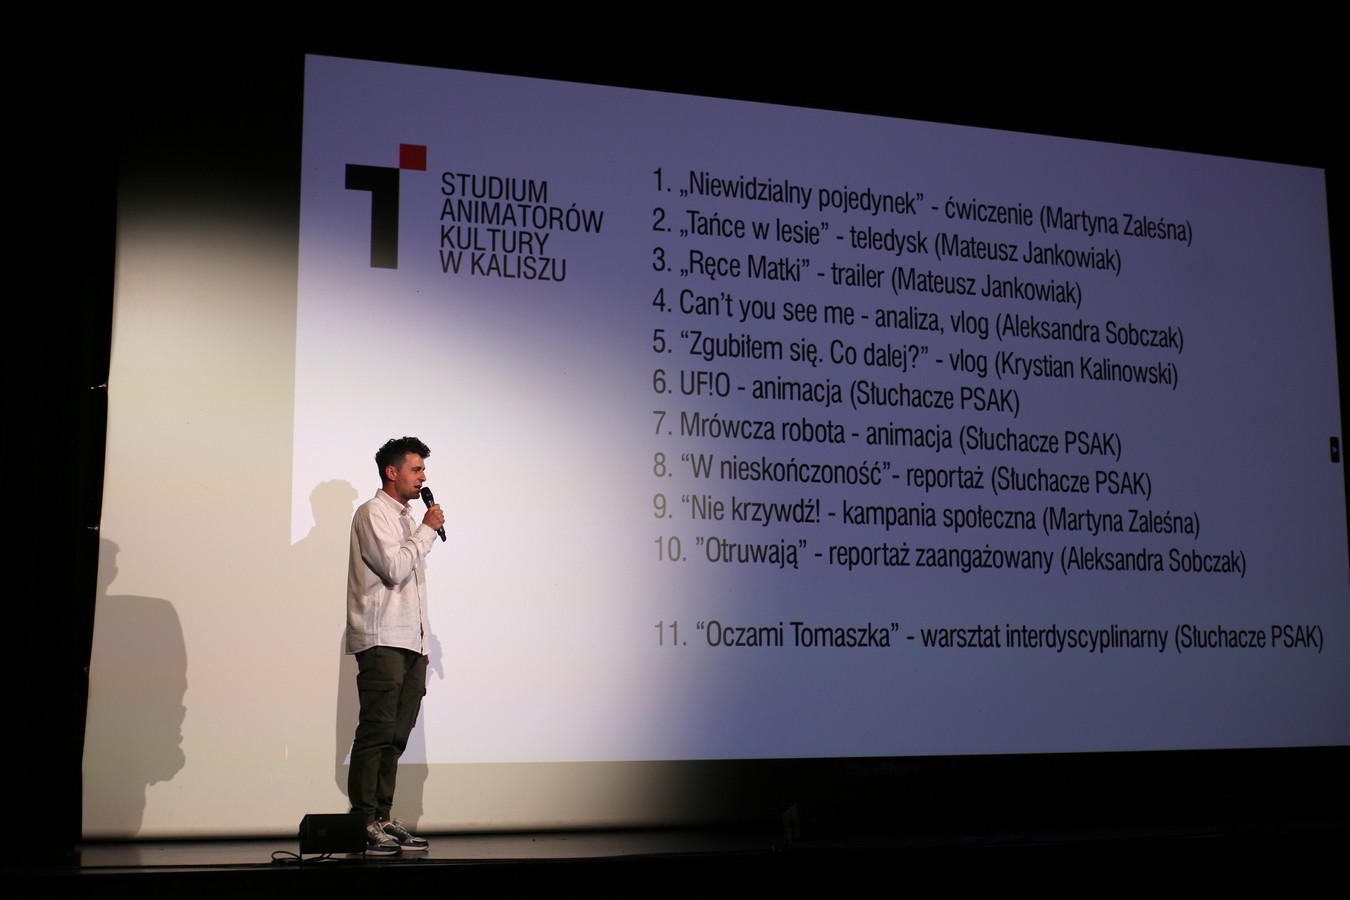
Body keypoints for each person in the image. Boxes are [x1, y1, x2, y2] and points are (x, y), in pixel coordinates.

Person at [345, 436, 445, 855]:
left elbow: (412, 586)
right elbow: (394, 568)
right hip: (382, 638)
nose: (423, 477)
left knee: (397, 736)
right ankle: (363, 821)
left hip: (409, 642)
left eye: (423, 470)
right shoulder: (373, 514)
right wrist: (427, 530)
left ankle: (383, 816)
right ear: (392, 471)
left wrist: (423, 640)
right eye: (416, 469)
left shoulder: (407, 519)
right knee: (377, 731)